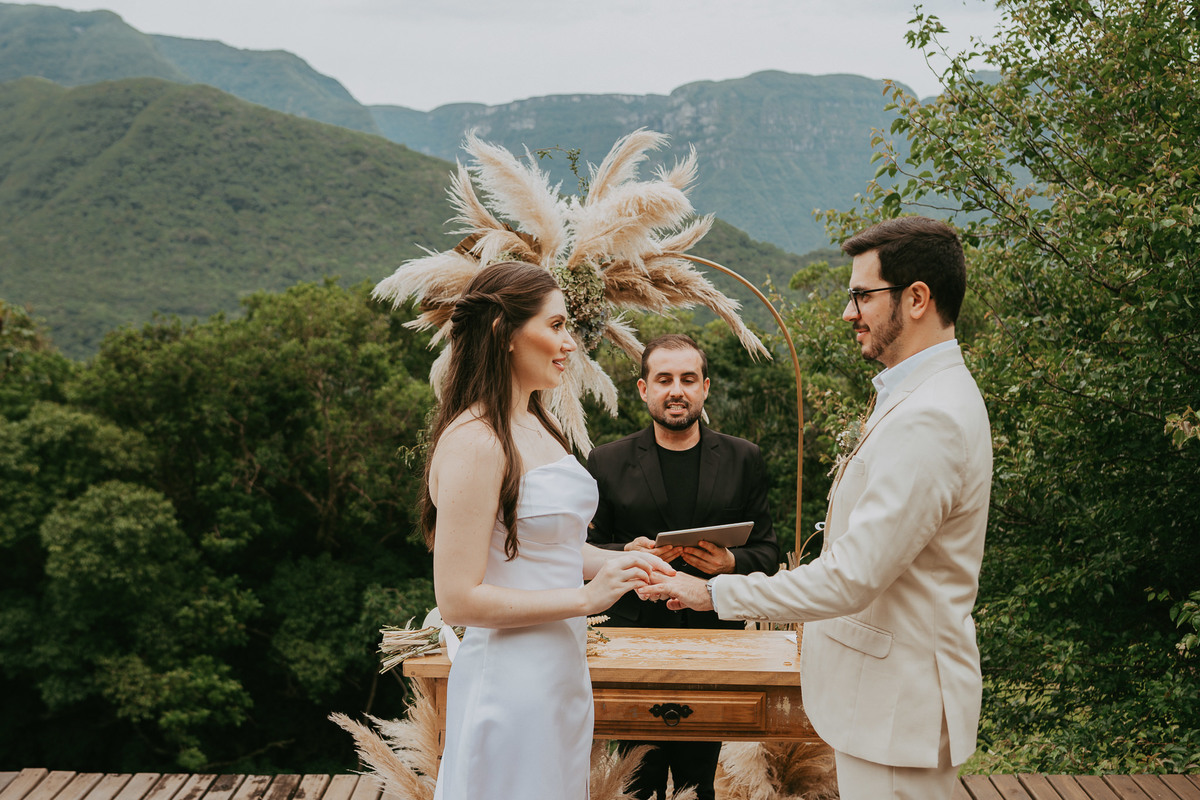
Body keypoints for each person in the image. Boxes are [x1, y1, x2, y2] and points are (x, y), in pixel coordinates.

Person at [638, 217, 993, 800]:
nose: (849, 312)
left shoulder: (929, 416)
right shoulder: (922, 397)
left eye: (862, 295)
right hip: (885, 707)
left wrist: (712, 593)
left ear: (917, 298)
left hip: (897, 710)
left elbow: (852, 577)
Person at [423, 261, 674, 800]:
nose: (570, 344)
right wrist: (587, 599)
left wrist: (621, 563)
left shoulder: (541, 422)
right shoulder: (475, 441)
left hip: (561, 674)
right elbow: (457, 599)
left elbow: (550, 547)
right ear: (504, 332)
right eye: (556, 325)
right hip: (508, 685)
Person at [586, 333, 780, 800]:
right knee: (634, 783)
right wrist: (625, 552)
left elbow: (769, 553)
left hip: (714, 641)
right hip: (631, 644)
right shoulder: (606, 461)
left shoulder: (743, 458)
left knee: (699, 784)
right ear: (643, 389)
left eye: (688, 379)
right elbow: (581, 553)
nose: (677, 390)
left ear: (705, 387)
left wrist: (731, 561)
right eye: (664, 379)